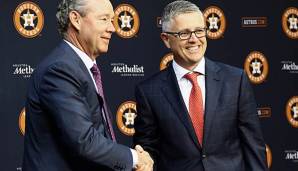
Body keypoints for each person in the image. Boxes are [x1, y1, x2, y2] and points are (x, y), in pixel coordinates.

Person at [133, 0, 268, 171]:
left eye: (199, 31)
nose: (194, 39)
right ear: (166, 39)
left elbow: (253, 147)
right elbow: (147, 152)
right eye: (184, 33)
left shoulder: (236, 80)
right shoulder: (148, 91)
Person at [22, 0, 153, 170]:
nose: (112, 28)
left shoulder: (80, 66)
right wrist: (135, 158)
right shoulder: (60, 69)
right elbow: (84, 140)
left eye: (112, 20)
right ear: (76, 19)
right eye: (104, 19)